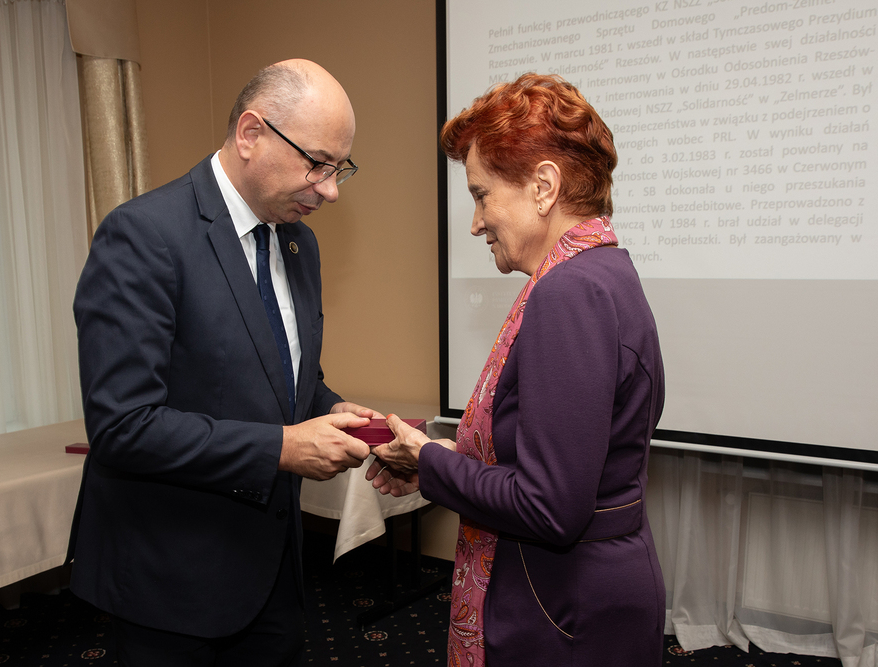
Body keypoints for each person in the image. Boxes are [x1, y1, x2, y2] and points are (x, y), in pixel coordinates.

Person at [68, 59, 381, 666]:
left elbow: (286, 378)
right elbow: (122, 427)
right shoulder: (143, 236)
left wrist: (335, 411)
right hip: (171, 582)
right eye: (317, 163)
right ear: (250, 133)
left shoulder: (299, 243)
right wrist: (282, 448)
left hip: (273, 571)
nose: (330, 190)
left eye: (340, 168)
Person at [367, 73, 666, 666]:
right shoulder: (603, 271)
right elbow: (552, 462)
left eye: (482, 195)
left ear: (543, 187)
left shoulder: (568, 292)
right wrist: (438, 459)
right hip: (588, 596)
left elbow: (549, 507)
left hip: (561, 609)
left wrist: (430, 463)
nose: (475, 222)